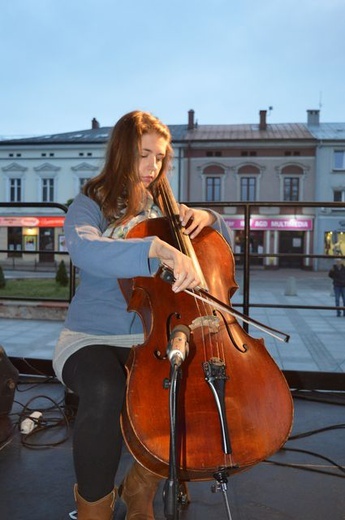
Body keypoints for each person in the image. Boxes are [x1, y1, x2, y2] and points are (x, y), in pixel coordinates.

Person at [53, 110, 232, 520]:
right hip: (90, 336)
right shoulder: (89, 205)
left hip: (154, 338)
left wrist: (208, 218)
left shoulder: (166, 212)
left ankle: (139, 488)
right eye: (144, 155)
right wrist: (153, 249)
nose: (153, 167)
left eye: (160, 158)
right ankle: (94, 509)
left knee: (181, 391)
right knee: (103, 390)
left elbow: (220, 242)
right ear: (122, 152)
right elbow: (85, 251)